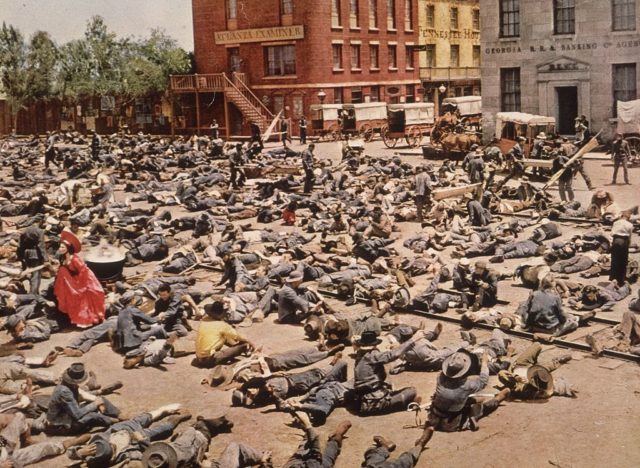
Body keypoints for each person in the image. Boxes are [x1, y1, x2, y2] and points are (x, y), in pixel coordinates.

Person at [425, 349, 510, 432]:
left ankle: (472, 405)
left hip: (434, 416)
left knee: (471, 399)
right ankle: (497, 399)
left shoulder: (440, 377)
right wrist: (484, 362)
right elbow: (483, 381)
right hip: (451, 422)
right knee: (481, 408)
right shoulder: (467, 386)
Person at [353, 330, 423, 416]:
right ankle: (399, 404)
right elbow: (392, 355)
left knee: (389, 385)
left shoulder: (360, 355)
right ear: (374, 344)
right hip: (372, 402)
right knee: (411, 391)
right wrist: (413, 339)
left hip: (360, 399)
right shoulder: (372, 355)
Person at [45, 363, 120, 435]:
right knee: (92, 415)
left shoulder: (68, 385)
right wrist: (96, 404)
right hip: (61, 425)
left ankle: (118, 414)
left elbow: (78, 400)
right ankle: (116, 421)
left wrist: (98, 402)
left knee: (101, 400)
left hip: (68, 414)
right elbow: (77, 415)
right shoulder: (64, 391)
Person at [53, 231, 105, 328]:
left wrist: (80, 285)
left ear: (68, 248)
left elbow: (83, 271)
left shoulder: (75, 259)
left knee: (83, 299)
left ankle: (88, 320)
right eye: (60, 247)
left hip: (84, 280)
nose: (60, 249)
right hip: (72, 280)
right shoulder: (62, 257)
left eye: (62, 247)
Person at [193, 301, 255, 368]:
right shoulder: (221, 325)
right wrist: (251, 343)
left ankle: (233, 349)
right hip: (209, 360)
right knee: (244, 344)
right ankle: (240, 349)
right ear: (221, 313)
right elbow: (238, 336)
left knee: (224, 336)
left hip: (199, 357)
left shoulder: (205, 320)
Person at [17, 224, 48, 294]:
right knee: (36, 275)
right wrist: (46, 259)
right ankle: (33, 294)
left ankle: (33, 292)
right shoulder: (39, 231)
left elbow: (20, 245)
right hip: (35, 253)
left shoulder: (24, 230)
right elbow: (41, 246)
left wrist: (20, 256)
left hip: (26, 253)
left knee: (29, 273)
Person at [610, 213, 633, 284]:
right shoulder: (630, 224)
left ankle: (613, 277)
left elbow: (612, 233)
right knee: (623, 261)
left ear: (622, 216)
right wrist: (628, 244)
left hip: (616, 240)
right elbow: (630, 236)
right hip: (624, 241)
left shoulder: (615, 223)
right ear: (628, 217)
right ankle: (621, 279)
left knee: (614, 259)